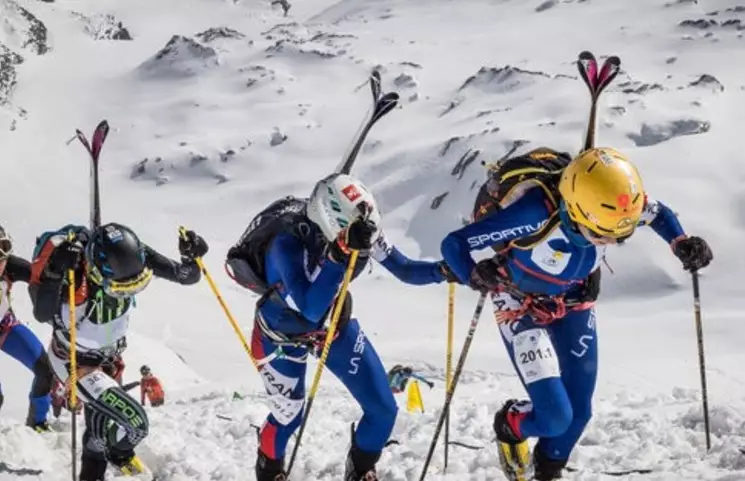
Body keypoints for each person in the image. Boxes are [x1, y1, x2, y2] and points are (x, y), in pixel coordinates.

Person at [439, 147, 713, 481]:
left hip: (574, 300)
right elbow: (453, 244)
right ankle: (510, 425)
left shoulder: (616, 204)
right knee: (555, 416)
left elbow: (656, 213)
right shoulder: (532, 216)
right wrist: (473, 274)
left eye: (619, 236)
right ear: (579, 214)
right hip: (518, 305)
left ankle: (548, 470)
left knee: (580, 413)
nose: (610, 242)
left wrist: (680, 242)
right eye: (603, 236)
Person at [225, 173, 454, 481]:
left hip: (331, 325)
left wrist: (449, 270)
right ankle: (269, 470)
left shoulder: (362, 230)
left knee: (383, 409)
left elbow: (405, 269)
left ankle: (360, 470)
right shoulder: (286, 246)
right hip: (279, 334)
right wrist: (338, 255)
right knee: (288, 416)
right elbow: (309, 307)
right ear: (332, 224)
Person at [28, 222, 208, 481]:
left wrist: (194, 256)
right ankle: (118, 453)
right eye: (121, 288)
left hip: (109, 358)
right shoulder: (73, 268)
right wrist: (56, 271)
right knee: (135, 422)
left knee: (98, 431)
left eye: (136, 286)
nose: (128, 292)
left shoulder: (134, 255)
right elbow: (42, 312)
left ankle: (99, 468)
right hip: (75, 362)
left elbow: (186, 275)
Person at [0, 226, 54, 432]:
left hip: (5, 327)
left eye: (2, 251)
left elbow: (40, 274)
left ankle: (37, 422)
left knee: (45, 370)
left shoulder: (9, 266)